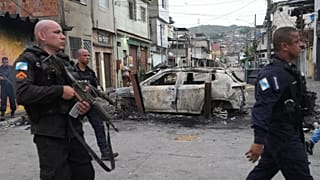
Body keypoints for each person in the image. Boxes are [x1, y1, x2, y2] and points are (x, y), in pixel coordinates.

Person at [14, 20, 94, 180]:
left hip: (73, 129)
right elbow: (23, 93)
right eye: (56, 33)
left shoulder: (65, 62)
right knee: (57, 176)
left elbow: (75, 91)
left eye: (62, 33)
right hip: (50, 134)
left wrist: (82, 105)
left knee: (84, 173)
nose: (62, 37)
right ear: (42, 35)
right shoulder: (26, 61)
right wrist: (60, 91)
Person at [245, 27, 313, 179]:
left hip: (288, 131)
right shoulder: (272, 74)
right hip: (282, 135)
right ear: (284, 46)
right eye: (296, 42)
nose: (301, 45)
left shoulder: (289, 70)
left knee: (264, 171)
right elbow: (262, 108)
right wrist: (258, 142)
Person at [74, 48, 118, 161]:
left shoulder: (90, 72)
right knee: (75, 129)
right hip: (78, 104)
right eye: (85, 56)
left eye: (88, 55)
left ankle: (105, 152)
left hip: (91, 103)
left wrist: (93, 91)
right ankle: (79, 153)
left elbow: (96, 88)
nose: (87, 57)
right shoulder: (72, 71)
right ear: (78, 57)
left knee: (99, 126)